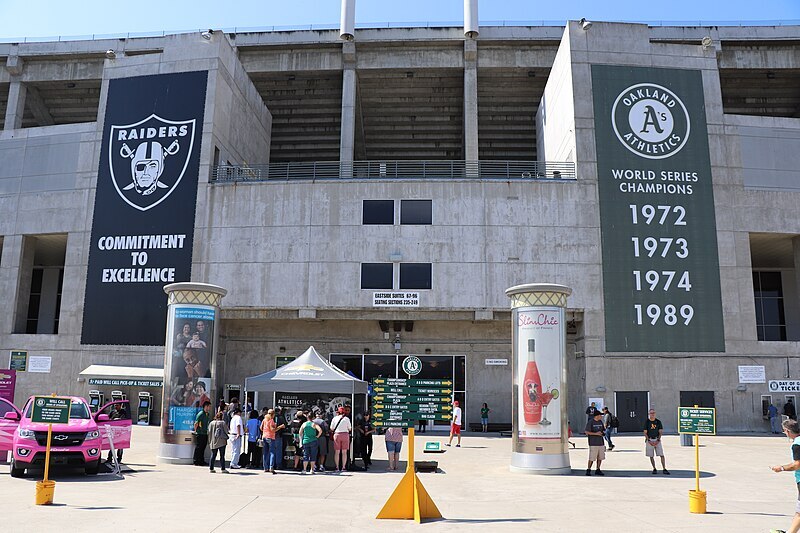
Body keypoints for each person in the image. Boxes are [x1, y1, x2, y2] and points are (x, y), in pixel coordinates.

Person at [770, 418, 800, 533]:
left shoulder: (797, 445)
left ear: (788, 431)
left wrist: (781, 468)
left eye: (784, 431)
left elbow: (797, 464)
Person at [644, 408, 670, 475]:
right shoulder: (647, 422)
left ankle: (664, 468)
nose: (652, 414)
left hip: (657, 439)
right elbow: (645, 432)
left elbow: (660, 431)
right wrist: (649, 440)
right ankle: (654, 468)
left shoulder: (658, 422)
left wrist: (658, 440)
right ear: (649, 414)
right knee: (651, 455)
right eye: (651, 413)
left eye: (653, 413)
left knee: (661, 454)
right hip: (650, 440)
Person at [331, 406, 352, 472]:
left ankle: (337, 467)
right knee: (344, 452)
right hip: (345, 435)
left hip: (337, 435)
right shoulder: (347, 419)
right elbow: (350, 428)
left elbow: (331, 428)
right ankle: (343, 467)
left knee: (337, 452)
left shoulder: (334, 418)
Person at [585, 411, 606, 476]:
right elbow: (587, 432)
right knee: (592, 457)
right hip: (593, 443)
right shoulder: (591, 422)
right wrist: (596, 434)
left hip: (601, 442)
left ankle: (598, 469)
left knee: (600, 457)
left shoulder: (600, 422)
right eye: (600, 415)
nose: (601, 416)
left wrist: (603, 433)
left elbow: (603, 430)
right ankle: (588, 469)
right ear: (597, 416)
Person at [193, 400, 212, 466]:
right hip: (200, 433)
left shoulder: (207, 414)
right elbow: (196, 423)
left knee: (203, 447)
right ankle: (196, 460)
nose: (209, 408)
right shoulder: (201, 414)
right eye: (209, 406)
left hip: (205, 433)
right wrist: (196, 431)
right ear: (205, 406)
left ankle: (201, 460)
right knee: (199, 447)